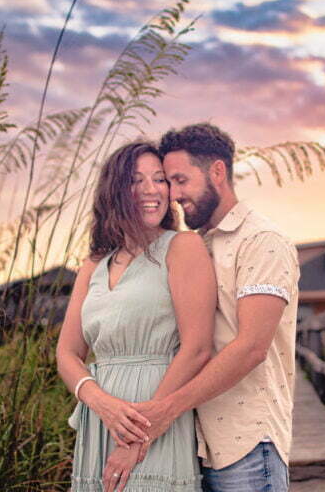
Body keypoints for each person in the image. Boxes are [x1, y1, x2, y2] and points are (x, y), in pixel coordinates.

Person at [131, 123, 300, 491]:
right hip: (196, 440)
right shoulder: (195, 245)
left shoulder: (262, 241)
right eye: (169, 182)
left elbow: (252, 347)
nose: (172, 194)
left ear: (217, 172)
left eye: (180, 180)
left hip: (248, 443)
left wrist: (166, 409)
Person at [56, 141, 216, 492]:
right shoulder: (94, 265)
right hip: (101, 421)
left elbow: (198, 348)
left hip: (153, 419)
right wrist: (102, 403)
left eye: (159, 180)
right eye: (136, 179)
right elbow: (67, 354)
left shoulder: (182, 247)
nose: (150, 190)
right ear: (114, 190)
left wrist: (137, 439)